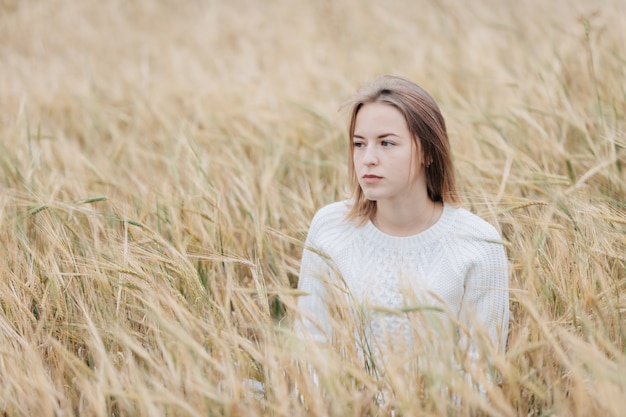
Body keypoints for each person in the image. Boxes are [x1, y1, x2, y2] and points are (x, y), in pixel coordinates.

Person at [295, 75, 509, 382]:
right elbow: (310, 351)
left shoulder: (477, 243)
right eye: (359, 144)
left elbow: (481, 376)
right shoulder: (330, 228)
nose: (368, 159)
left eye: (387, 143)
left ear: (428, 152)